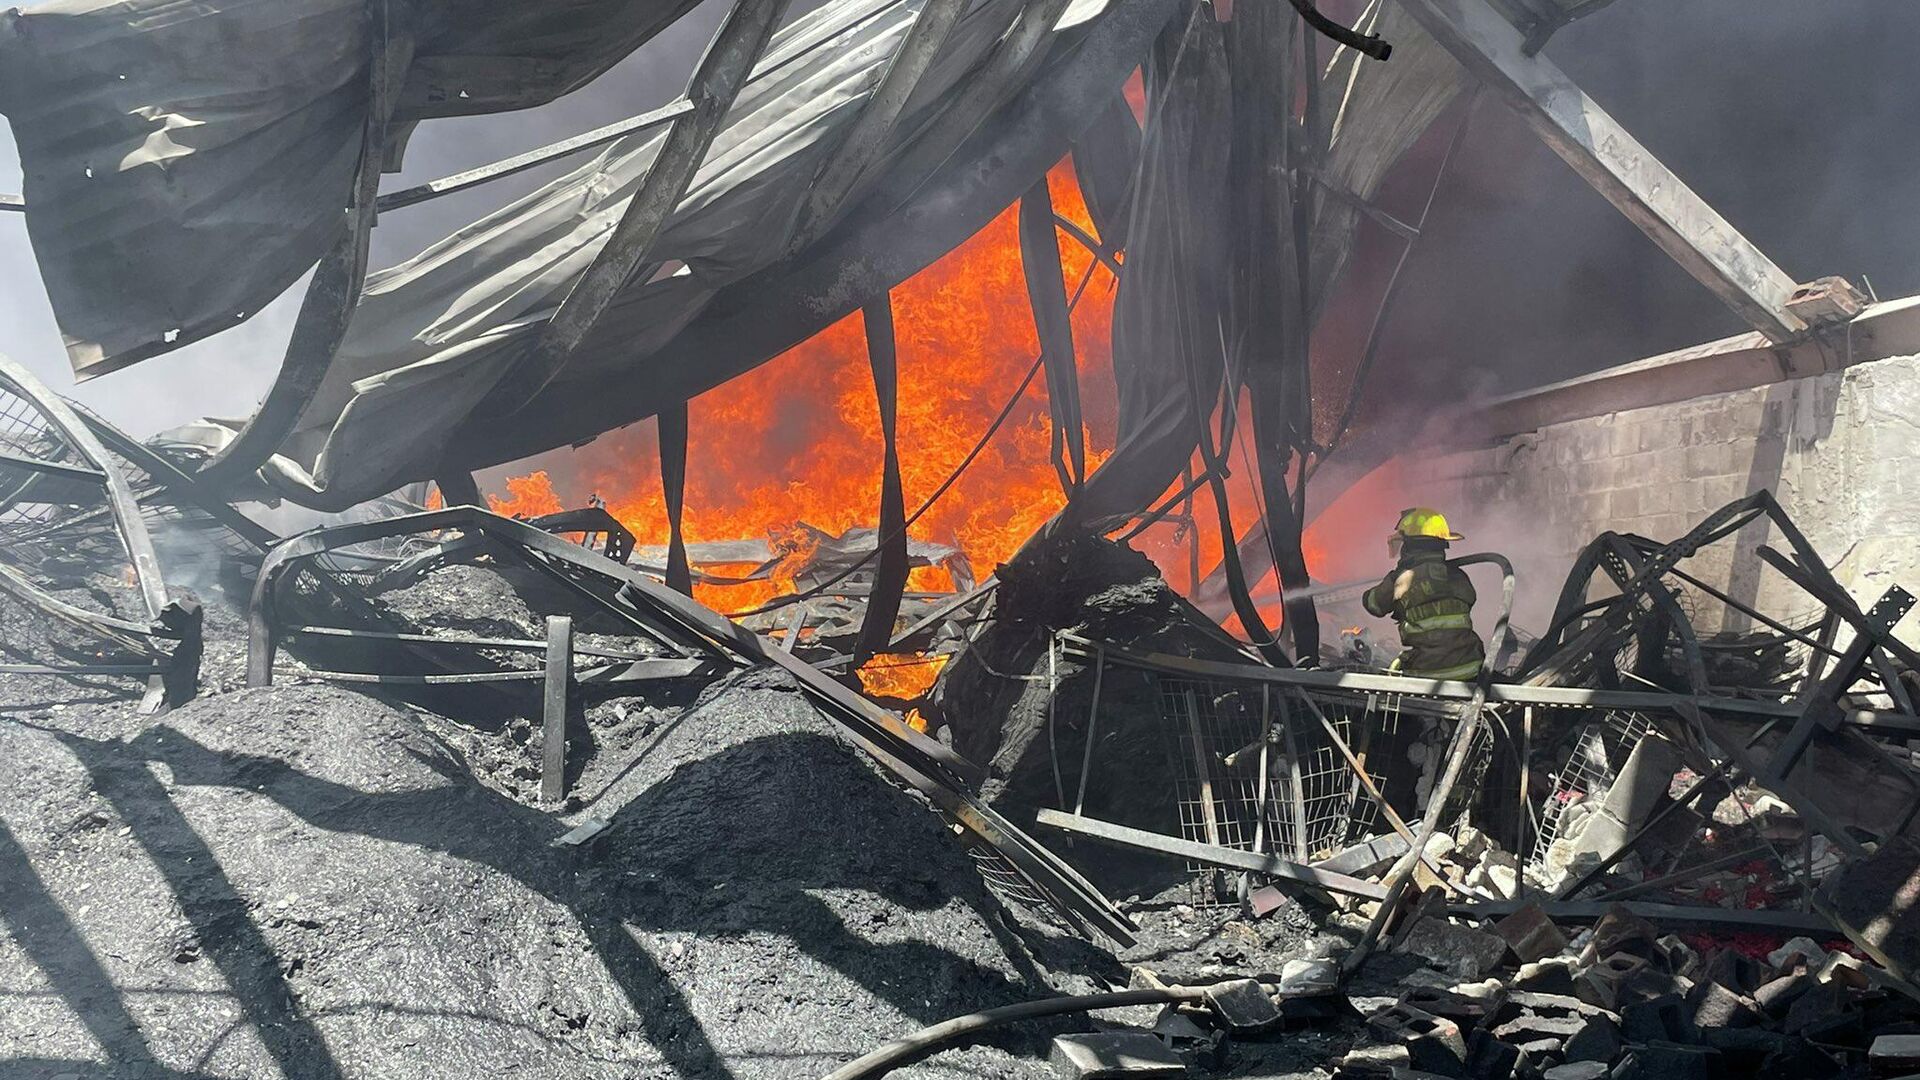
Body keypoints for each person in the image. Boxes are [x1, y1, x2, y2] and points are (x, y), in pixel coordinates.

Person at [1361, 508, 1484, 680]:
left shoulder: (1402, 579)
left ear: (1410, 546)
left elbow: (1373, 605)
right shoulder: (1459, 576)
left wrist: (1394, 581)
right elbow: (1470, 598)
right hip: (1470, 670)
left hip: (1426, 674)